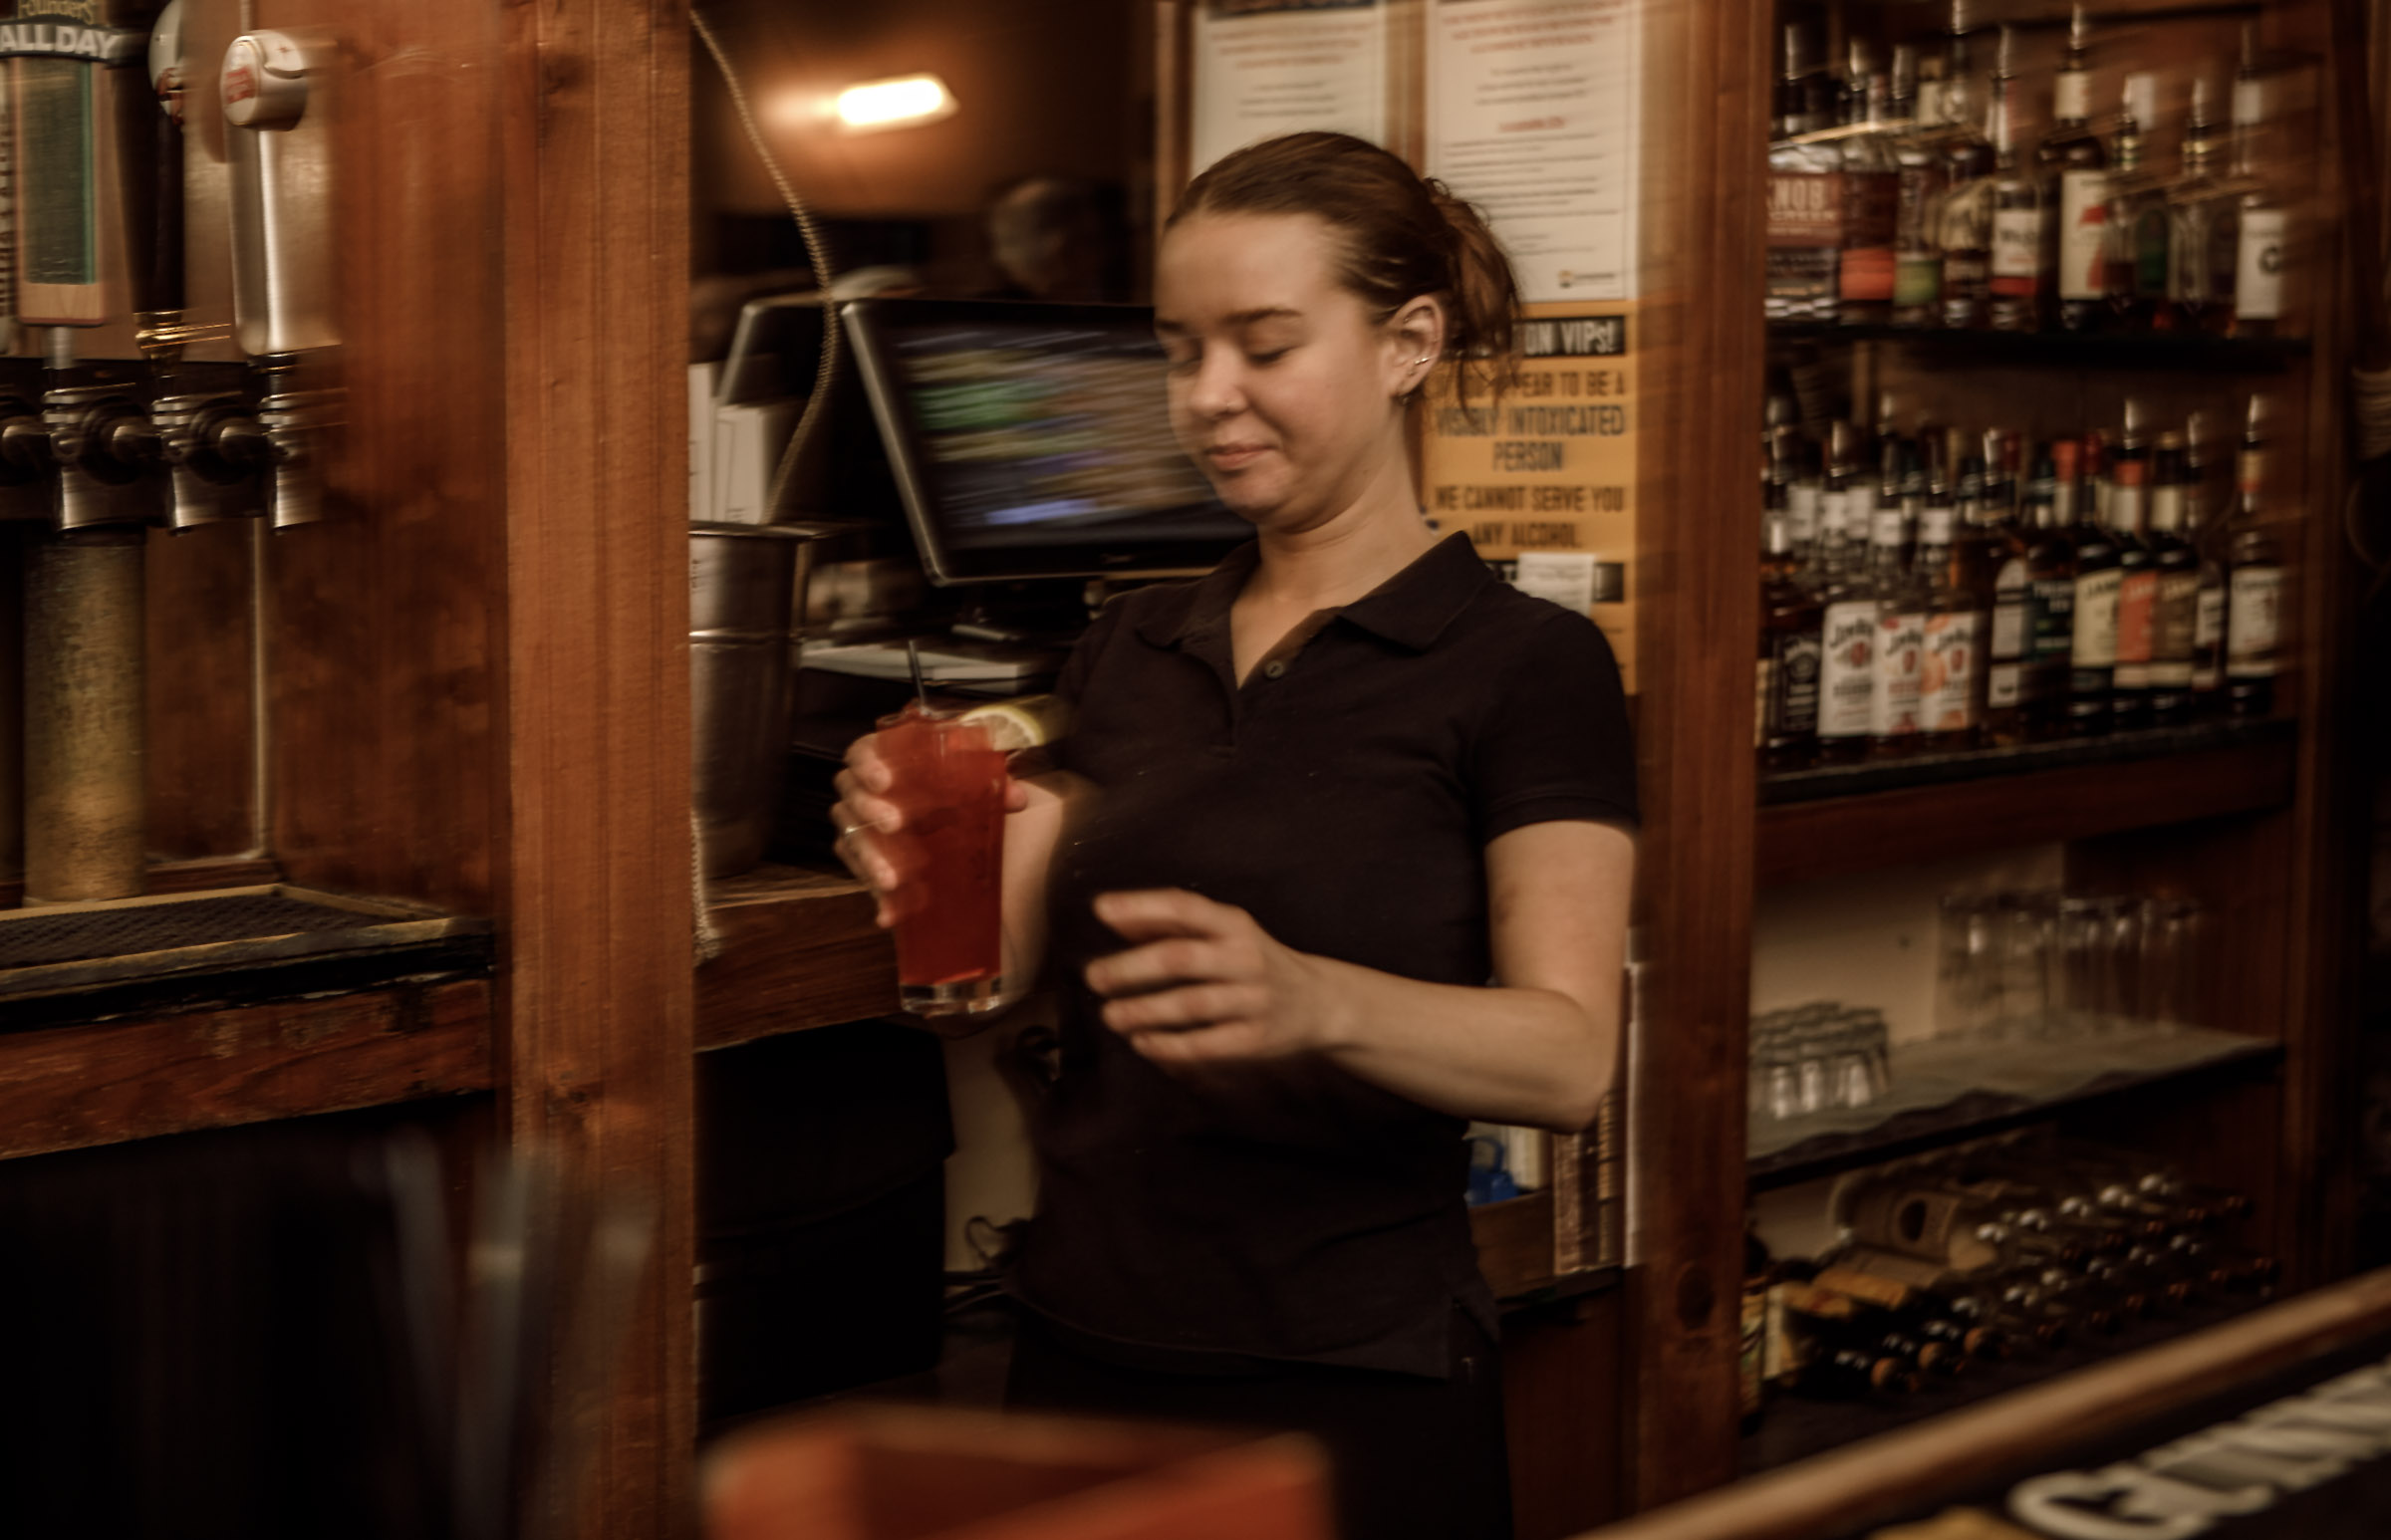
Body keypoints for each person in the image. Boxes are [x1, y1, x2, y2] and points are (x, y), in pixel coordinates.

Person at [830, 130, 1637, 1540]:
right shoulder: (1134, 643)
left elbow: (1569, 1058)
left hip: (1351, 1374)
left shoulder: (1524, 663)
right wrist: (917, 853)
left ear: (1408, 343)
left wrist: (1314, 998)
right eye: (1179, 352)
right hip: (1081, 1351)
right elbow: (992, 982)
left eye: (1264, 346)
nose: (1208, 396)